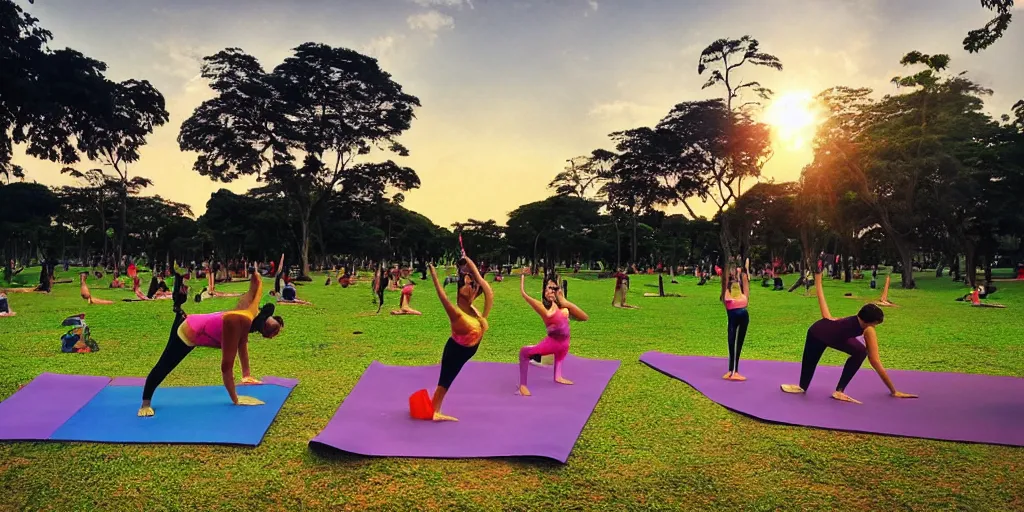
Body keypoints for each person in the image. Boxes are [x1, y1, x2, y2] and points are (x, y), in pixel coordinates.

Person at [138, 262, 283, 417]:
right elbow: (226, 368)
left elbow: (255, 289)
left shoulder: (249, 312)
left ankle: (179, 283)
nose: (274, 324)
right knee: (165, 365)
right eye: (274, 326)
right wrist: (236, 399)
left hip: (190, 321)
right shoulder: (238, 322)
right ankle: (145, 404)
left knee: (165, 364)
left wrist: (246, 375)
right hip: (188, 332)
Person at [781, 270, 917, 404]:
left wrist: (819, 283)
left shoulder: (854, 321)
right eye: (876, 323)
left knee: (860, 351)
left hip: (834, 336)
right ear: (869, 322)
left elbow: (828, 317)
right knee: (807, 373)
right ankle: (803, 386)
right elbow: (875, 361)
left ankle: (839, 391)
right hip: (817, 334)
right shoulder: (867, 329)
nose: (876, 326)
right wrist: (894, 391)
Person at [425, 254, 493, 421]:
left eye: (472, 284)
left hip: (467, 349)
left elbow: (487, 289)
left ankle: (434, 409)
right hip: (455, 351)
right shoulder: (458, 315)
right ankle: (434, 411)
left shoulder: (477, 313)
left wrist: (470, 263)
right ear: (459, 291)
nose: (471, 286)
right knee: (445, 381)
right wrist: (434, 275)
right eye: (466, 283)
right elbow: (443, 297)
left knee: (446, 382)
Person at [517, 272, 588, 396]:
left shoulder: (564, 308)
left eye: (555, 288)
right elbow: (525, 295)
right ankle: (523, 385)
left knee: (559, 357)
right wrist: (523, 279)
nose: (552, 291)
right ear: (544, 291)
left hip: (564, 345)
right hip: (552, 342)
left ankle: (558, 376)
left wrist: (565, 302)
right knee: (524, 352)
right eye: (549, 288)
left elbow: (584, 317)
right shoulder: (544, 308)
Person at [721, 258, 751, 381]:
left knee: (736, 342)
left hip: (741, 314)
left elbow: (746, 288)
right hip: (735, 315)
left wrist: (744, 269)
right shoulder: (727, 288)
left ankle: (735, 370)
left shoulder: (741, 289)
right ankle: (731, 370)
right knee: (732, 341)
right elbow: (725, 281)